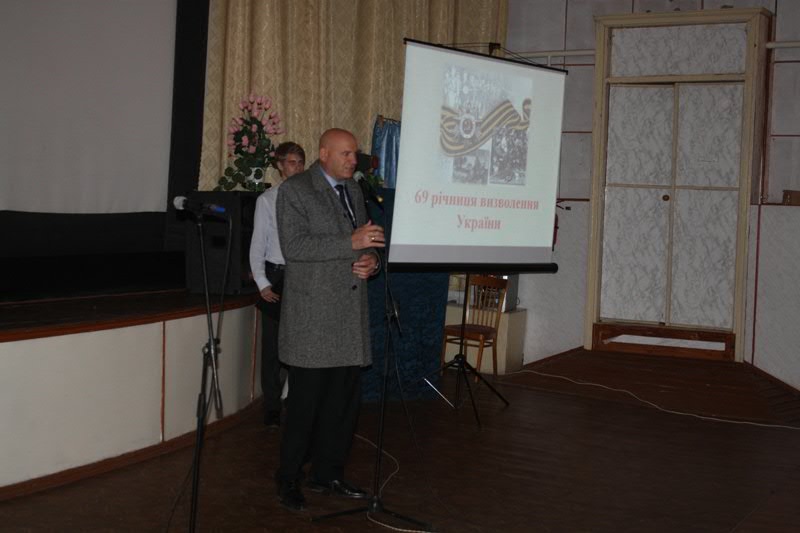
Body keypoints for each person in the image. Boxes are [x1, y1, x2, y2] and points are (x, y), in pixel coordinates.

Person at [274, 128, 384, 512]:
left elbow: (367, 243)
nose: (354, 161)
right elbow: (295, 247)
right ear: (323, 153)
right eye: (346, 154)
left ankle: (327, 474)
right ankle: (288, 478)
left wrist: (371, 261)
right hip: (313, 321)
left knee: (342, 407)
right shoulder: (295, 191)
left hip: (348, 318)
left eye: (354, 154)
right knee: (305, 408)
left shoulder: (353, 189)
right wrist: (351, 243)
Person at [249, 141, 306, 428]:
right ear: (280, 166)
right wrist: (262, 283)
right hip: (276, 275)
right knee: (272, 347)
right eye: (292, 162)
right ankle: (271, 406)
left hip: (303, 277)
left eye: (300, 162)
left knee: (300, 343)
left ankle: (295, 400)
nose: (297, 168)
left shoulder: (311, 200)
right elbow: (257, 244)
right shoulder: (267, 200)